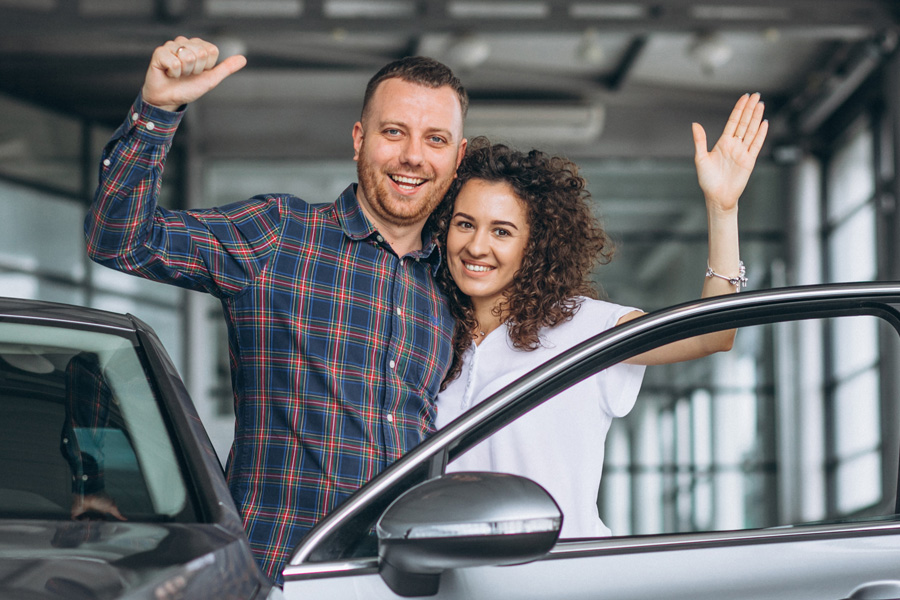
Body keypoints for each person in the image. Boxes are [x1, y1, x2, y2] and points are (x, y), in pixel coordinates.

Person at [84, 36, 467, 583]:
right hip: (278, 575)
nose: (413, 155)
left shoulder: (450, 284)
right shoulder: (278, 236)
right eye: (393, 131)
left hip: (402, 578)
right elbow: (119, 238)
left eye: (435, 139)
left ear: (457, 157)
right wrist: (158, 111)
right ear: (359, 140)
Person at [433, 93, 767, 538]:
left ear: (535, 245)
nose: (477, 246)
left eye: (502, 231)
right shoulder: (429, 330)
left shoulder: (583, 326)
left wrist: (722, 210)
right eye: (465, 223)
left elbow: (712, 335)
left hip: (567, 579)